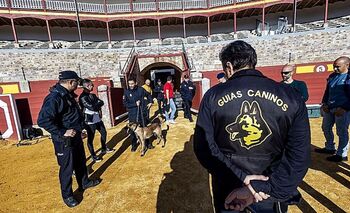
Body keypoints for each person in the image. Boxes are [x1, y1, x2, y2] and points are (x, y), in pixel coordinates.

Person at [193, 41, 310, 212]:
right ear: (252, 62)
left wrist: (241, 178)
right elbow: (299, 155)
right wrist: (267, 187)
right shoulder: (290, 95)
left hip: (229, 187)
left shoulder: (213, 95)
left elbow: (205, 148)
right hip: (268, 188)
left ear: (229, 66)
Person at [37, 71, 100, 208]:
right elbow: (43, 120)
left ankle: (84, 182)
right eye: (77, 82)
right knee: (67, 168)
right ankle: (67, 195)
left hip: (75, 135)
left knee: (80, 161)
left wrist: (80, 129)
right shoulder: (55, 98)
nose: (79, 84)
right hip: (63, 140)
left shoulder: (67, 95)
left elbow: (72, 115)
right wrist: (63, 132)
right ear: (71, 82)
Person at [315, 56, 350, 162]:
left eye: (337, 67)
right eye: (334, 66)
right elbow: (327, 91)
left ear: (347, 65)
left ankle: (341, 154)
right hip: (329, 108)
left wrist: (345, 108)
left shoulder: (349, 77)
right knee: (325, 127)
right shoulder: (332, 76)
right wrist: (324, 103)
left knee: (341, 131)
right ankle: (330, 147)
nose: (335, 69)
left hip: (342, 109)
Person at [79, 79, 114, 163]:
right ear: (86, 86)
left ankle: (103, 148)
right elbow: (92, 107)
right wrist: (97, 105)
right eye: (91, 85)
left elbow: (101, 102)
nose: (93, 86)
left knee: (104, 132)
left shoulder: (92, 95)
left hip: (97, 118)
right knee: (91, 139)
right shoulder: (82, 97)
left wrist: (96, 105)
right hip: (89, 120)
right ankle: (93, 156)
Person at [123, 78, 153, 152]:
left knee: (145, 128)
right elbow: (125, 104)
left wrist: (150, 102)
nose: (131, 85)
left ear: (136, 83)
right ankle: (134, 145)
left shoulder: (141, 89)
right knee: (133, 130)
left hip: (142, 113)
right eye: (129, 84)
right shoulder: (126, 92)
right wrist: (134, 104)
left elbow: (148, 94)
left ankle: (148, 143)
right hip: (132, 114)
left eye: (132, 84)